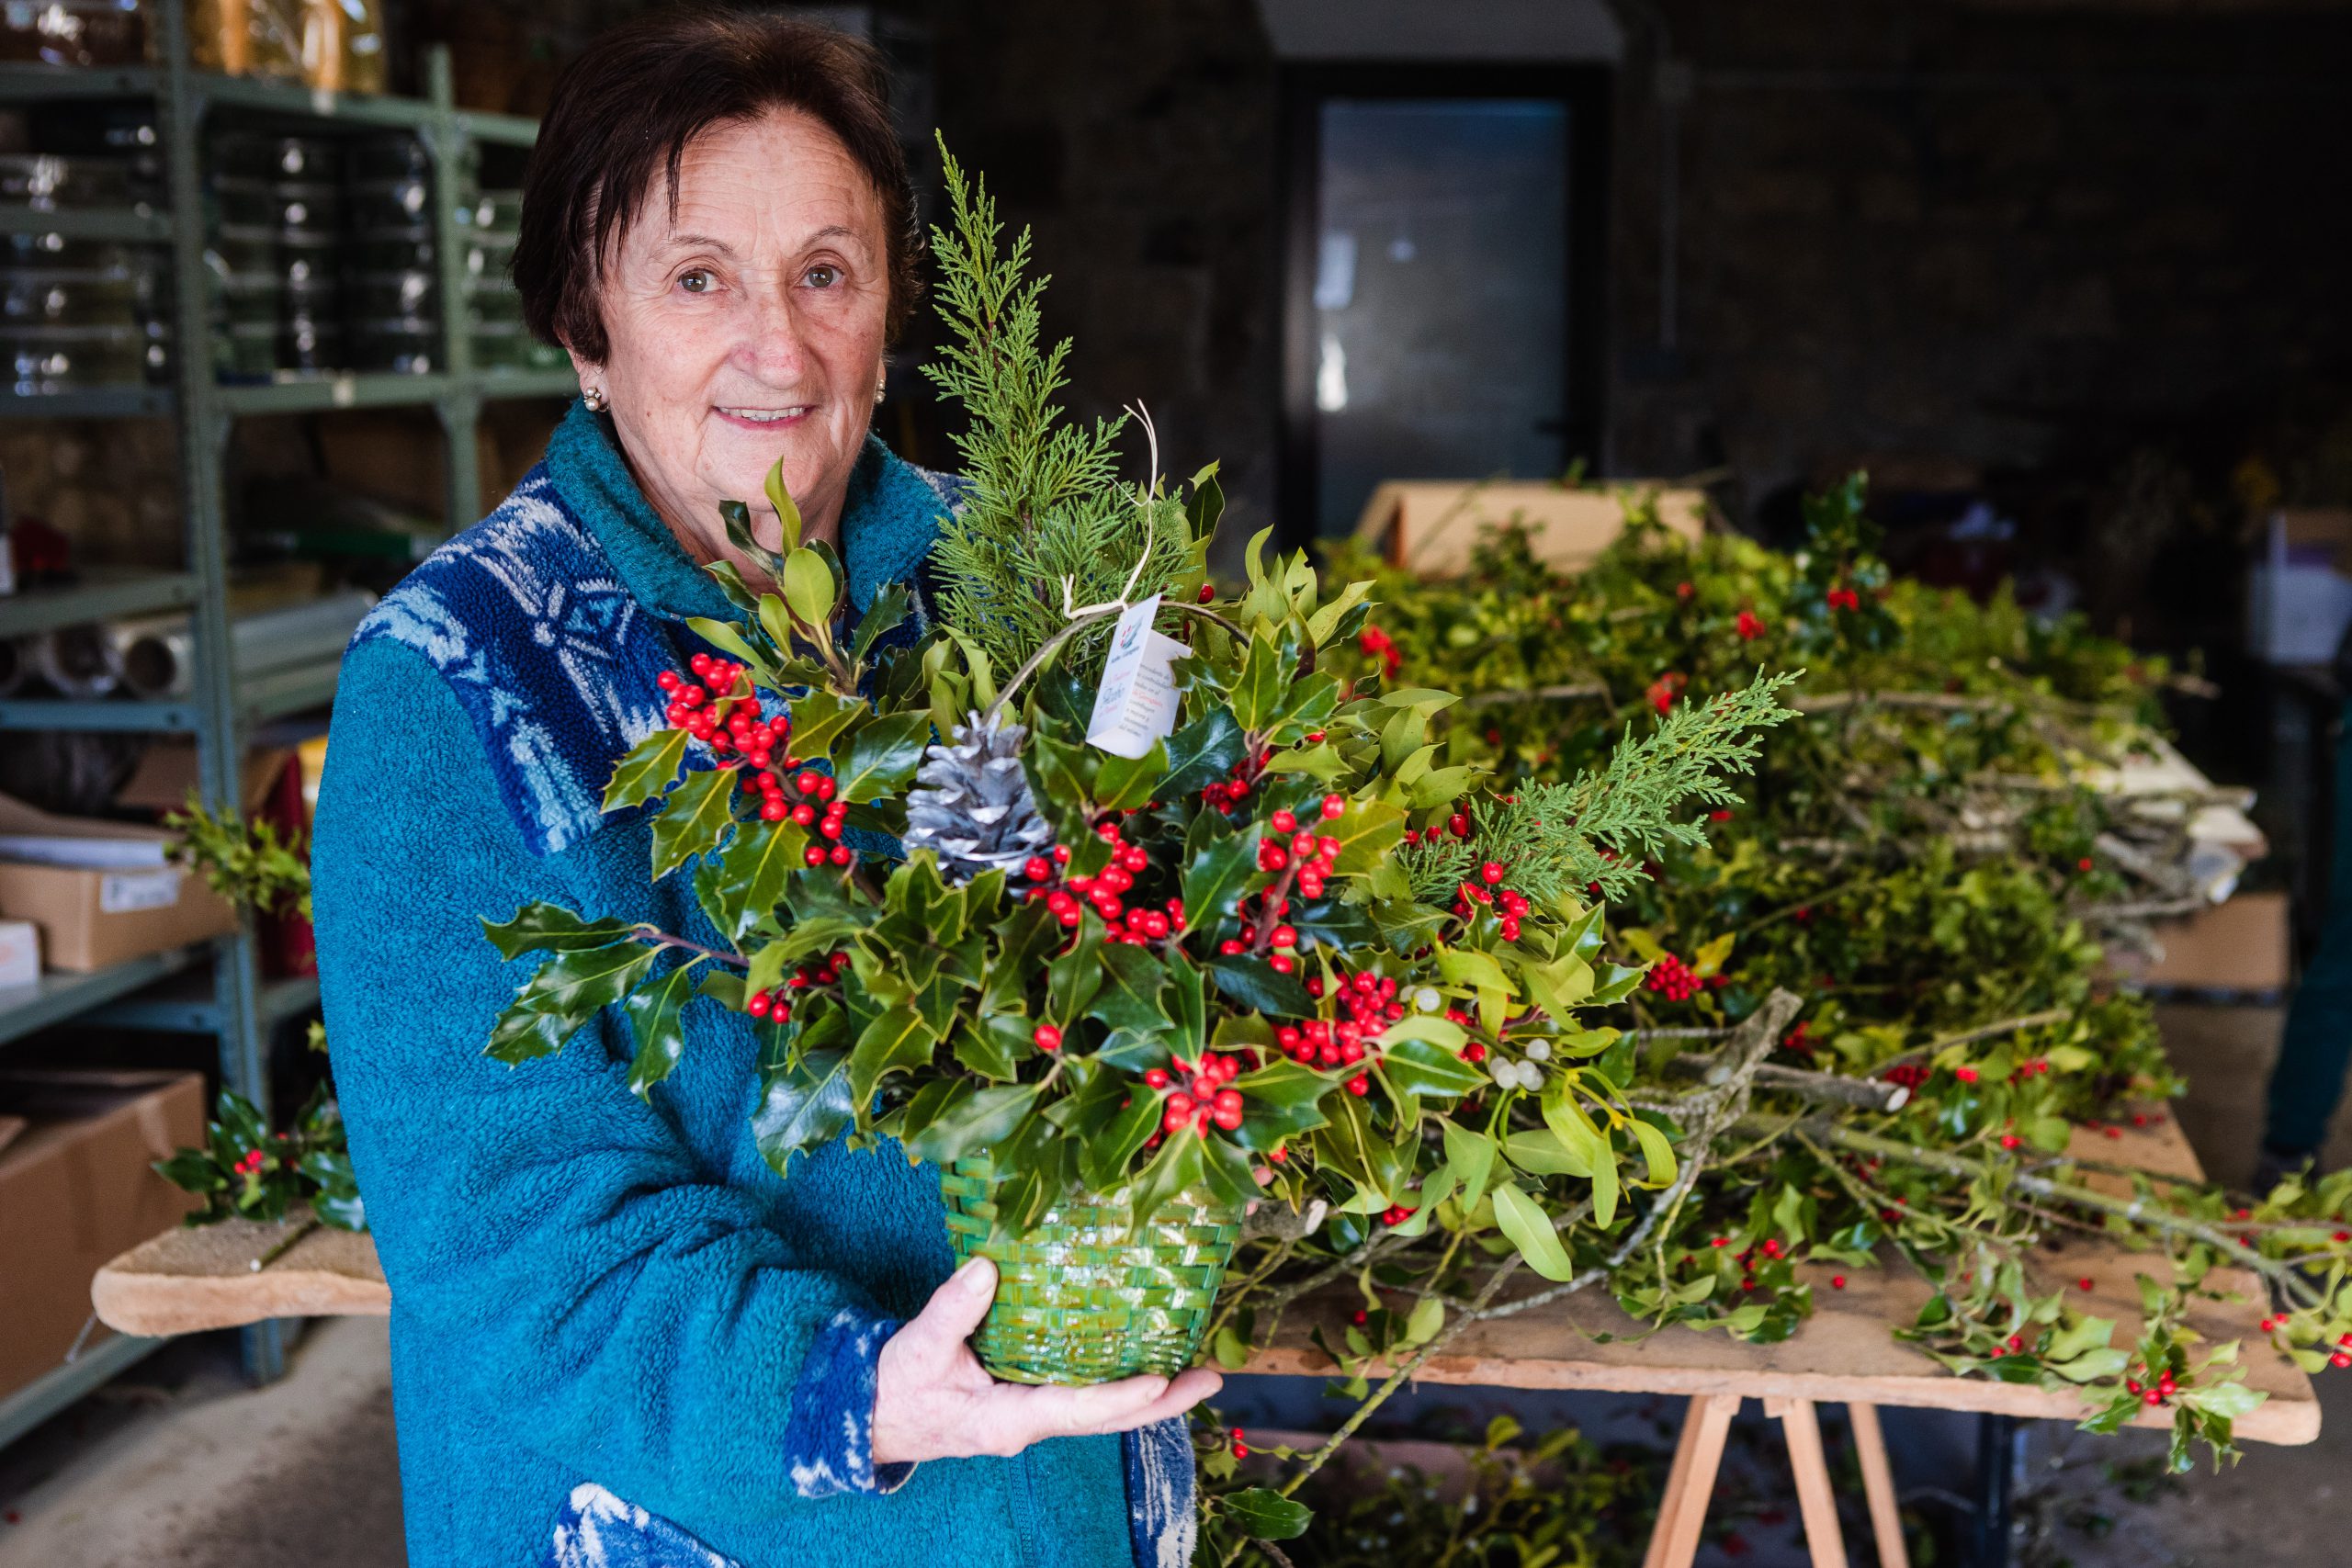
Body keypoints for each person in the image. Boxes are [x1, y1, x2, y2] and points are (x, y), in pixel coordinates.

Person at [310, 13, 1216, 1568]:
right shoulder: (450, 691)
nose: (779, 350)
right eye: (696, 278)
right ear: (587, 333)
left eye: (826, 272)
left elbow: (1162, 945)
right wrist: (854, 1389)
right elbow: (517, 1237)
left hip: (1060, 1510)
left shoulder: (1025, 583)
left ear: (884, 313)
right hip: (713, 1522)